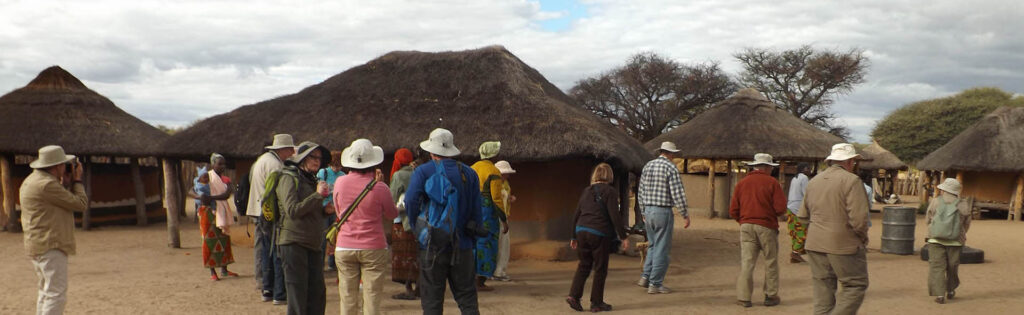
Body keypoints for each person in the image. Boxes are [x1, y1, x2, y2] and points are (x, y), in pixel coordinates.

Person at [405, 128, 483, 315]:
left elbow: (410, 201)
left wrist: (418, 228)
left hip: (432, 245)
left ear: (431, 151)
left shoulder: (423, 171)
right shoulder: (469, 174)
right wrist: (471, 241)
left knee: (432, 300)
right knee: (467, 299)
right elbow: (477, 212)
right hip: (462, 245)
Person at [797, 143, 870, 315]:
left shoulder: (814, 181)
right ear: (851, 161)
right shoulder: (852, 180)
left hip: (815, 243)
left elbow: (802, 215)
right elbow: (859, 220)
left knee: (823, 289)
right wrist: (862, 237)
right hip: (843, 244)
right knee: (855, 285)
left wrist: (819, 228)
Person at [333, 139, 398, 315]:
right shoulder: (380, 187)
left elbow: (339, 211)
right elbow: (392, 214)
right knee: (372, 297)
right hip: (374, 247)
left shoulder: (340, 183)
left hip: (345, 245)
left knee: (347, 296)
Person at [20, 145, 87, 315]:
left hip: (38, 244)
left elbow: (57, 202)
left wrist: (64, 184)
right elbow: (80, 204)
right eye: (64, 164)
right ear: (57, 166)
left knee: (45, 291)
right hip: (51, 244)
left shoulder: (31, 180)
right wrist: (77, 181)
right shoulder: (47, 185)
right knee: (56, 294)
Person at [276, 141, 331, 315]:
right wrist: (317, 196)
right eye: (312, 157)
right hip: (293, 242)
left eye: (319, 159)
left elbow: (309, 211)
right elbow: (292, 210)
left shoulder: (311, 179)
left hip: (313, 243)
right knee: (298, 296)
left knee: (317, 294)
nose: (317, 161)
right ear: (302, 159)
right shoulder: (288, 177)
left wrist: (325, 211)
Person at [566, 163, 629, 313]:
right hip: (599, 233)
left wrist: (573, 236)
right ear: (609, 176)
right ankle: (596, 303)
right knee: (600, 269)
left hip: (581, 230)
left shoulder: (586, 191)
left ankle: (574, 296)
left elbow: (577, 214)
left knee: (584, 265)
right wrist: (623, 236)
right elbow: (615, 215)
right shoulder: (610, 191)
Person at [729, 154, 787, 308]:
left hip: (746, 225)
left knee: (747, 262)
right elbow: (780, 208)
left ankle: (744, 297)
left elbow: (733, 209)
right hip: (767, 226)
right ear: (767, 167)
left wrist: (743, 221)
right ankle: (770, 295)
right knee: (771, 261)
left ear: (754, 166)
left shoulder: (742, 183)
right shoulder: (772, 183)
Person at [636, 141, 690, 294]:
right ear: (671, 154)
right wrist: (685, 214)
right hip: (662, 211)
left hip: (649, 211)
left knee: (653, 245)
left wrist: (643, 212)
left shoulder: (648, 166)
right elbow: (677, 193)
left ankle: (645, 277)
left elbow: (640, 191)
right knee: (662, 248)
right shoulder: (670, 167)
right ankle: (655, 283)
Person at [248, 134, 295, 304]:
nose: (291, 153)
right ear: (283, 149)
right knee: (276, 252)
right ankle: (278, 293)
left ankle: (266, 288)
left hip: (259, 210)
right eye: (290, 149)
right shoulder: (275, 165)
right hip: (269, 213)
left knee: (264, 250)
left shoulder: (262, 160)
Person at [188, 163, 239, 281]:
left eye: (223, 163)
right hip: (206, 212)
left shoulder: (224, 179)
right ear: (213, 164)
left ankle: (224, 269)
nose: (222, 166)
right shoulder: (206, 178)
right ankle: (212, 271)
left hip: (220, 211)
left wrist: (211, 198)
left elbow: (226, 195)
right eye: (219, 163)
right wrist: (199, 197)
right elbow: (191, 191)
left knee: (223, 238)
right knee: (209, 240)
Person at [925, 178, 971, 304]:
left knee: (937, 267)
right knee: (952, 267)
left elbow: (928, 219)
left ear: (943, 189)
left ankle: (940, 294)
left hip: (935, 240)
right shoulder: (963, 204)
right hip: (955, 241)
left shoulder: (935, 201)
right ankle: (950, 290)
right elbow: (966, 224)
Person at [470, 141, 508, 292]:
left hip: (473, 209)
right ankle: (480, 281)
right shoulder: (493, 172)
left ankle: (470, 278)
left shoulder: (472, 169)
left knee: (473, 242)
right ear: (494, 154)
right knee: (487, 243)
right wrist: (504, 220)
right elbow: (496, 198)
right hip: (487, 212)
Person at [389, 148, 420, 300]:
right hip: (418, 220)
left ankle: (408, 288)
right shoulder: (417, 172)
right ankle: (419, 286)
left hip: (402, 220)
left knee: (404, 256)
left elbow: (392, 196)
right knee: (416, 254)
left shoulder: (398, 175)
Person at [317, 151, 345, 272]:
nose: (336, 168)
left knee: (335, 237)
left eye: (338, 165)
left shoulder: (342, 175)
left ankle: (333, 263)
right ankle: (320, 264)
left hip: (336, 210)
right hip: (323, 209)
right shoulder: (323, 173)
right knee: (323, 237)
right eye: (335, 165)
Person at [493, 160, 516, 282]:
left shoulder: (505, 184)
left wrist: (510, 199)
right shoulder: (494, 184)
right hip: (496, 217)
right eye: (505, 173)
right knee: (500, 245)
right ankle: (497, 272)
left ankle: (499, 270)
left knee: (503, 245)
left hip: (503, 216)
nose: (507, 175)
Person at [786, 163, 811, 263]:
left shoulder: (794, 178)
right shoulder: (804, 178)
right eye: (808, 168)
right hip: (798, 208)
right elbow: (806, 194)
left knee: (794, 232)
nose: (810, 170)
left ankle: (795, 255)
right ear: (803, 169)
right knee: (803, 231)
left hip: (790, 207)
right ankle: (795, 252)